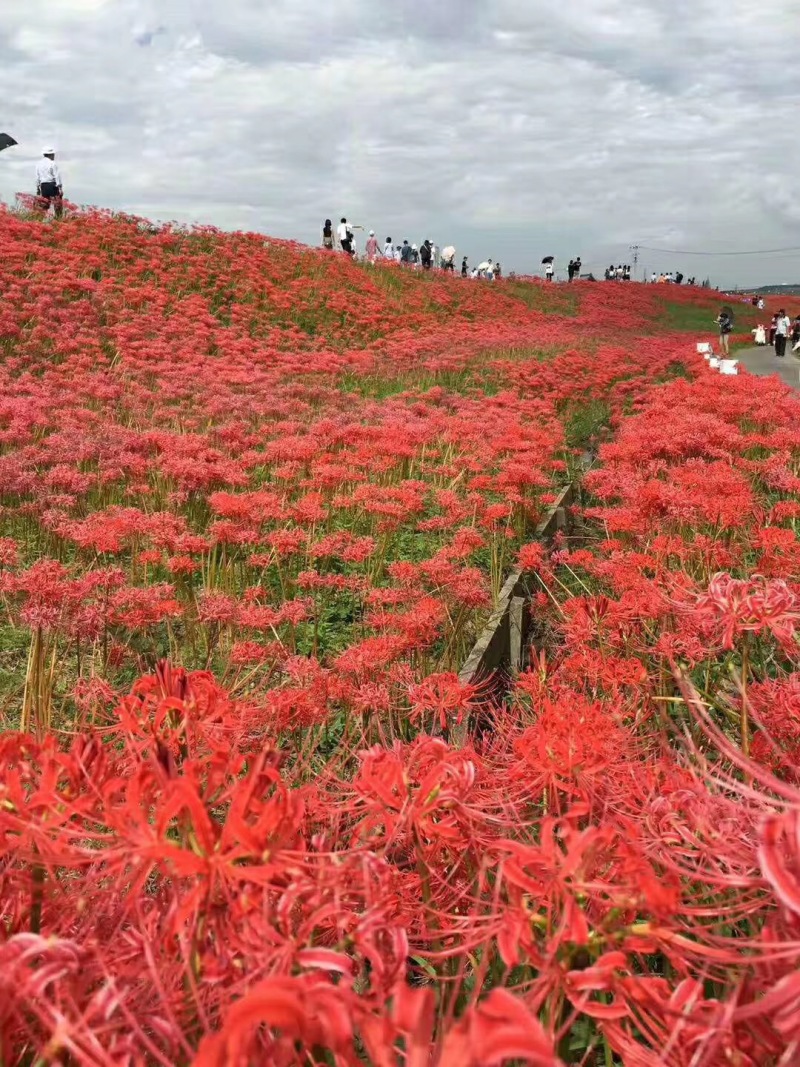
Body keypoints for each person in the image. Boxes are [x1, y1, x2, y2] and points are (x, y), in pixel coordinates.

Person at [36, 147, 63, 218]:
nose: (54, 156)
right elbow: (57, 176)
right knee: (57, 205)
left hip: (43, 185)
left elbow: (37, 177)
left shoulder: (39, 164)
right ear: (50, 155)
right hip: (52, 185)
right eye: (53, 154)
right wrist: (60, 188)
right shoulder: (52, 163)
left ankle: (40, 220)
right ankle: (59, 219)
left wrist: (38, 188)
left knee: (44, 205)